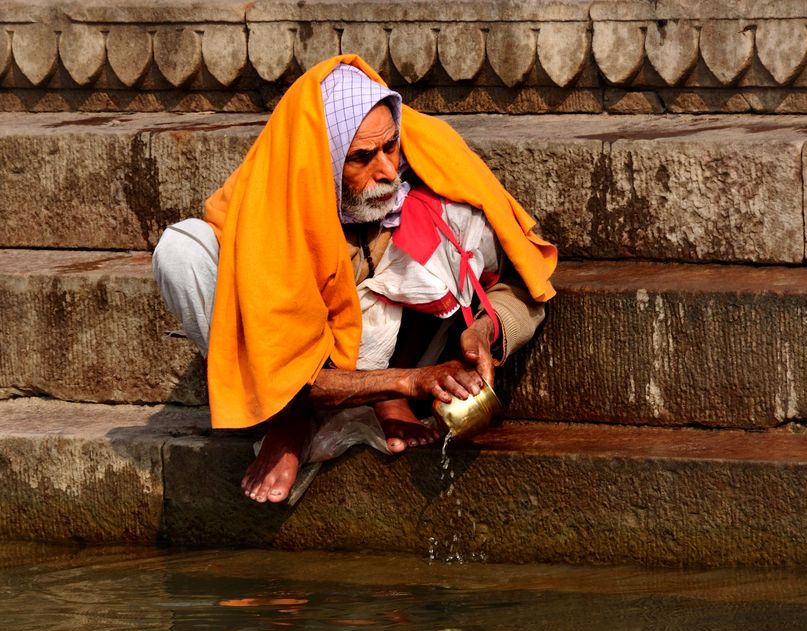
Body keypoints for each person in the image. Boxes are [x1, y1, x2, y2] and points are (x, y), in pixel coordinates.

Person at [152, 55, 557, 505]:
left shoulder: (425, 168)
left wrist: (484, 328)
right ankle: (289, 417)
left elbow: (526, 279)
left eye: (391, 147)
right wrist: (408, 382)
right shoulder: (274, 199)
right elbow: (278, 343)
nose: (386, 171)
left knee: (451, 223)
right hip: (291, 363)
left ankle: (381, 396)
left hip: (399, 346)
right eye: (361, 158)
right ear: (319, 163)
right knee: (180, 251)